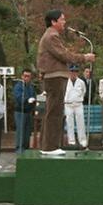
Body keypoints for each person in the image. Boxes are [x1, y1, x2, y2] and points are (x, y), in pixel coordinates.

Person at [36, 9, 95, 155]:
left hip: (54, 76)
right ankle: (50, 147)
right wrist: (85, 57)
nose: (64, 22)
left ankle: (47, 145)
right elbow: (64, 55)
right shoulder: (51, 36)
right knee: (54, 112)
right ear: (53, 22)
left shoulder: (51, 35)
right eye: (62, 19)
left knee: (53, 111)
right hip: (54, 76)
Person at [12, 69, 37, 154]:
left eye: (28, 76)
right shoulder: (19, 86)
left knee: (27, 131)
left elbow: (34, 95)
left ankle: (26, 148)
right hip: (20, 111)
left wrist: (34, 100)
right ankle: (19, 148)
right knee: (20, 130)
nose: (26, 78)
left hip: (28, 111)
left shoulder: (31, 86)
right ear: (22, 76)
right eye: (25, 76)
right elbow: (18, 97)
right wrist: (26, 100)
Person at [64, 64, 88, 148]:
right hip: (68, 104)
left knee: (80, 122)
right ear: (69, 72)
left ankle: (82, 140)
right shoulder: (65, 81)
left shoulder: (81, 82)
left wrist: (78, 98)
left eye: (75, 72)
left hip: (78, 104)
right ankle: (71, 141)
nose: (74, 73)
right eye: (72, 71)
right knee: (69, 123)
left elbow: (84, 92)